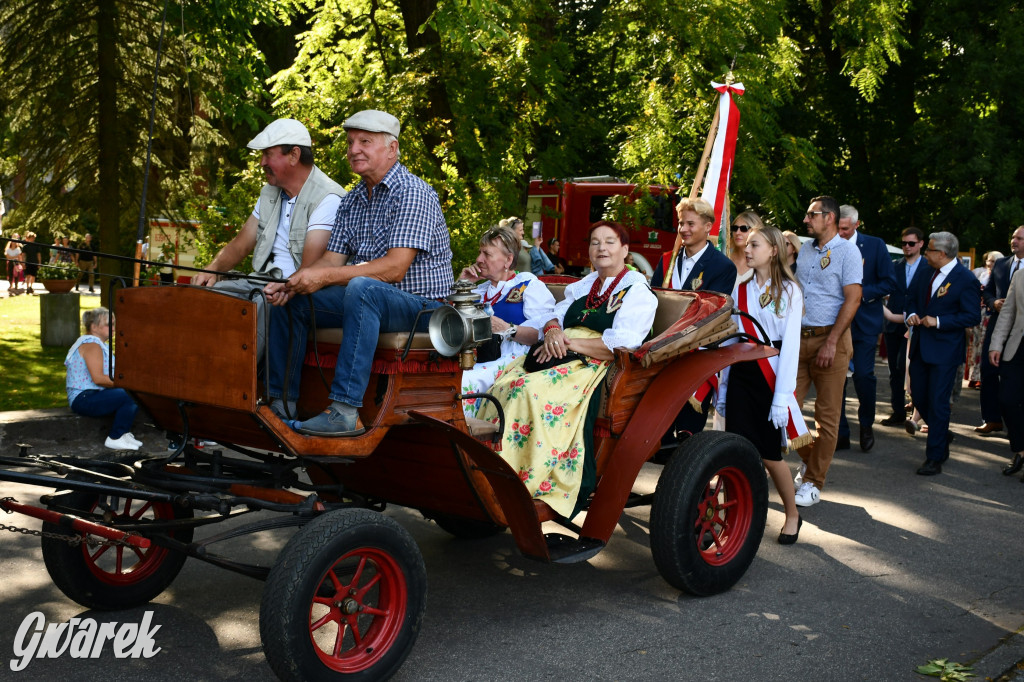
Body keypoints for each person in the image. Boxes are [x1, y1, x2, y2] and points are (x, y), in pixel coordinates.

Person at [264, 109, 454, 436]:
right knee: (291, 299)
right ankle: (280, 406)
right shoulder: (351, 200)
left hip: (424, 308)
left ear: (392, 149)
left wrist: (322, 278)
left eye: (365, 141)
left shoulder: (413, 192)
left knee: (363, 288)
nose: (354, 150)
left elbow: (395, 269)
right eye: (351, 142)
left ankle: (344, 411)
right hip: (371, 299)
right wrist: (297, 281)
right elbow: (330, 262)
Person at [478, 221, 657, 518]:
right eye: (595, 242)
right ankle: (488, 471)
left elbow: (624, 344)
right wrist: (551, 333)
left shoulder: (637, 292)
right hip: (559, 350)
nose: (601, 248)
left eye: (610, 242)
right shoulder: (585, 286)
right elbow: (553, 317)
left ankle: (522, 480)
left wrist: (569, 341)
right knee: (502, 384)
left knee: (526, 391)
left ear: (625, 250)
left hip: (594, 362)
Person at [192, 118, 345, 359]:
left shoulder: (328, 197)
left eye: (268, 155)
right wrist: (211, 269)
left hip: (296, 291)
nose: (262, 162)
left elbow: (310, 268)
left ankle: (243, 381)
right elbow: (241, 244)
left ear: (294, 155)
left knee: (262, 307)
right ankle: (196, 375)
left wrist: (281, 288)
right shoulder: (269, 192)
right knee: (204, 297)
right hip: (259, 284)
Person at [716, 224, 811, 544]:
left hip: (772, 376)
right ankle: (730, 518)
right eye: (748, 244)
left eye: (755, 244)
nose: (748, 249)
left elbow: (791, 347)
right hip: (743, 374)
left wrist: (782, 397)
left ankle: (792, 514)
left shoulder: (790, 291)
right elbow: (730, 332)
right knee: (735, 451)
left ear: (773, 251)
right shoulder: (739, 287)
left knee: (770, 454)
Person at [792, 195, 862, 507]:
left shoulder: (848, 251)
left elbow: (853, 300)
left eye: (812, 215)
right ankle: (810, 458)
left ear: (829, 217)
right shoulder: (806, 249)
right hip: (799, 339)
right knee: (786, 412)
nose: (806, 220)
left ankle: (813, 481)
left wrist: (832, 341)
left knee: (827, 418)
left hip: (831, 342)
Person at [650, 198, 737, 443]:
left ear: (708, 226)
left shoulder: (723, 266)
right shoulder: (667, 261)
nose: (684, 229)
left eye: (691, 223)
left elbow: (711, 313)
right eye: (680, 223)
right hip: (662, 353)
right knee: (660, 433)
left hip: (696, 354)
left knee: (688, 439)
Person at [459, 227, 556, 418]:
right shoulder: (479, 291)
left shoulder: (527, 284)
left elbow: (544, 334)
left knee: (464, 380)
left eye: (487, 254)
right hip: (478, 358)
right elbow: (451, 326)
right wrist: (463, 285)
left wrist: (508, 329)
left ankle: (462, 434)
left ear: (508, 260)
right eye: (480, 252)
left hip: (516, 362)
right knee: (443, 376)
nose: (479, 259)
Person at [906, 232, 981, 475]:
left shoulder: (965, 278)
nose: (925, 253)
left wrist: (937, 321)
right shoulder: (926, 271)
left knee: (938, 404)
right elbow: (912, 298)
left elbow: (972, 316)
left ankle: (934, 457)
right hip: (920, 347)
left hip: (945, 351)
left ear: (942, 253)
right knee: (917, 395)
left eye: (929, 250)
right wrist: (911, 315)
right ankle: (941, 432)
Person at [836, 205, 896, 452]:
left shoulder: (875, 245)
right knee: (835, 379)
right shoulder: (828, 245)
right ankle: (840, 432)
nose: (840, 233)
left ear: (857, 225)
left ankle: (866, 424)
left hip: (864, 323)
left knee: (863, 376)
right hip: (835, 322)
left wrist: (859, 294)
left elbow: (889, 281)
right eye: (837, 228)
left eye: (846, 229)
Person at [65, 307, 142, 451]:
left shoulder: (99, 345)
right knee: (129, 394)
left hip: (92, 395)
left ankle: (123, 434)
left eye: (114, 323)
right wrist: (127, 384)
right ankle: (116, 437)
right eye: (109, 324)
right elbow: (99, 379)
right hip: (84, 398)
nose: (114, 327)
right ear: (94, 327)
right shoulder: (92, 345)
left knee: (130, 392)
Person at [880, 228, 928, 427]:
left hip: (918, 324)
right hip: (894, 323)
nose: (907, 247)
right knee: (894, 370)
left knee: (909, 367)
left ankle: (918, 410)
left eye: (911, 243)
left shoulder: (928, 266)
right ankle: (898, 411)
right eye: (904, 243)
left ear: (921, 244)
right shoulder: (894, 266)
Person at [978, 227, 1024, 434]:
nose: (1014, 241)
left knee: (1012, 376)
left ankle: (1015, 425)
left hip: (1019, 329)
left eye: (1019, 238)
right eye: (1013, 237)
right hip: (999, 322)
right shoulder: (1001, 264)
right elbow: (987, 290)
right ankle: (992, 418)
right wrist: (993, 302)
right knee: (988, 370)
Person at [989, 267, 1024, 477]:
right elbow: (1008, 312)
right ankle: (1020, 449)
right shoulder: (1020, 276)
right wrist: (996, 344)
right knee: (1007, 399)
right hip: (1017, 348)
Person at [967, 250, 1001, 388]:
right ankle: (972, 376)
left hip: (989, 314)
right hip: (977, 313)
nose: (989, 263)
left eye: (993, 261)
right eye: (988, 260)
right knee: (974, 344)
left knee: (983, 345)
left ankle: (980, 376)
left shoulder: (1000, 277)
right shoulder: (979, 273)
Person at [727, 211, 763, 282]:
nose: (737, 232)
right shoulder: (725, 256)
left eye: (744, 228)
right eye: (735, 228)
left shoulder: (764, 262)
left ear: (756, 231)